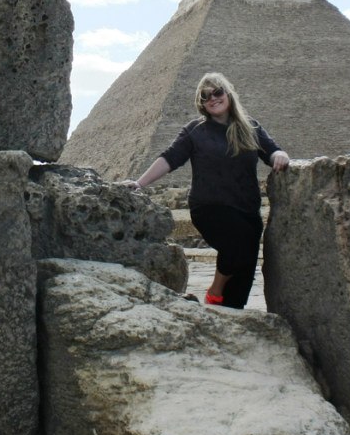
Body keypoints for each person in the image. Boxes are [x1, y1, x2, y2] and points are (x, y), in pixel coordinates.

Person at [123, 72, 289, 308]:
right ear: (200, 102)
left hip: (247, 209)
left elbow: (271, 151)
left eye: (217, 92)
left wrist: (279, 155)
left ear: (228, 94)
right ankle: (215, 289)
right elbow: (170, 158)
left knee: (244, 269)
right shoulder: (195, 131)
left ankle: (229, 314)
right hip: (210, 207)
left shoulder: (250, 127)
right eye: (205, 96)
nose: (213, 98)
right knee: (238, 245)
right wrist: (140, 183)